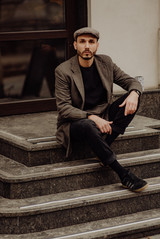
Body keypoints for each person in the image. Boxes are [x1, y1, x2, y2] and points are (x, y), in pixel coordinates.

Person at [55, 27, 148, 192]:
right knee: (88, 125)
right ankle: (124, 175)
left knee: (132, 99)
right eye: (82, 42)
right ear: (75, 45)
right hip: (76, 123)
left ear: (97, 45)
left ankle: (103, 145)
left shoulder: (106, 62)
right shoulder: (63, 70)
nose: (87, 46)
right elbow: (64, 108)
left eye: (91, 42)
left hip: (104, 116)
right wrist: (91, 117)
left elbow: (131, 81)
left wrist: (134, 93)